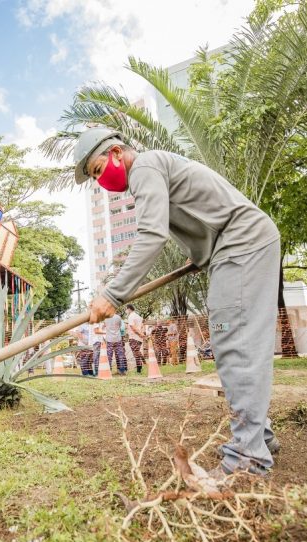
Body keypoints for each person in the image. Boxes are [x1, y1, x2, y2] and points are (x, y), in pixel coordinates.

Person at [75, 127, 281, 477]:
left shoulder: (144, 167)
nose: (101, 181)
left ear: (114, 153)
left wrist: (113, 293)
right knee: (232, 340)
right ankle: (259, 438)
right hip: (233, 247)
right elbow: (200, 215)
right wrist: (201, 256)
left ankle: (248, 457)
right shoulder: (155, 169)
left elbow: (151, 233)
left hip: (242, 243)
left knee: (234, 341)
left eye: (97, 170)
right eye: (94, 177)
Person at [126, 304, 145, 374]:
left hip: (134, 337)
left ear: (129, 309)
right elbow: (142, 325)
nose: (126, 311)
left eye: (126, 309)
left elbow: (132, 327)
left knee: (136, 354)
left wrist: (140, 334)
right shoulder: (138, 316)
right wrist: (142, 334)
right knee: (137, 352)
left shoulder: (131, 316)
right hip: (139, 338)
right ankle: (140, 366)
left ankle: (139, 370)